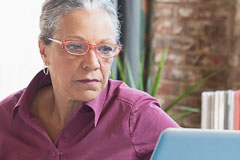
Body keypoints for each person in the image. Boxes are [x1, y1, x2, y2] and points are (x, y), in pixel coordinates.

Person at [0, 0, 179, 159]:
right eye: (75, 46)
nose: (92, 63)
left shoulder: (136, 115)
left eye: (105, 49)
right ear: (44, 51)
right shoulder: (5, 118)